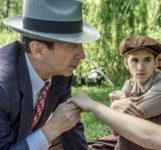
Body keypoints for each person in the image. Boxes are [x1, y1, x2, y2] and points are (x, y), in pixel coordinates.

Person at [0, 0, 100, 149]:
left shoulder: (61, 75)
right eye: (71, 45)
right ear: (38, 50)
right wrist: (52, 128)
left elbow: (70, 127)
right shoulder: (3, 87)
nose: (82, 55)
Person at [91, 35, 161, 150]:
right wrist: (120, 106)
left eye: (147, 60)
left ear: (155, 62)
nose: (140, 67)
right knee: (93, 146)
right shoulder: (130, 84)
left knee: (131, 126)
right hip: (149, 140)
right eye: (135, 60)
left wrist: (116, 104)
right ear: (126, 64)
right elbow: (115, 129)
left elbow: (129, 119)